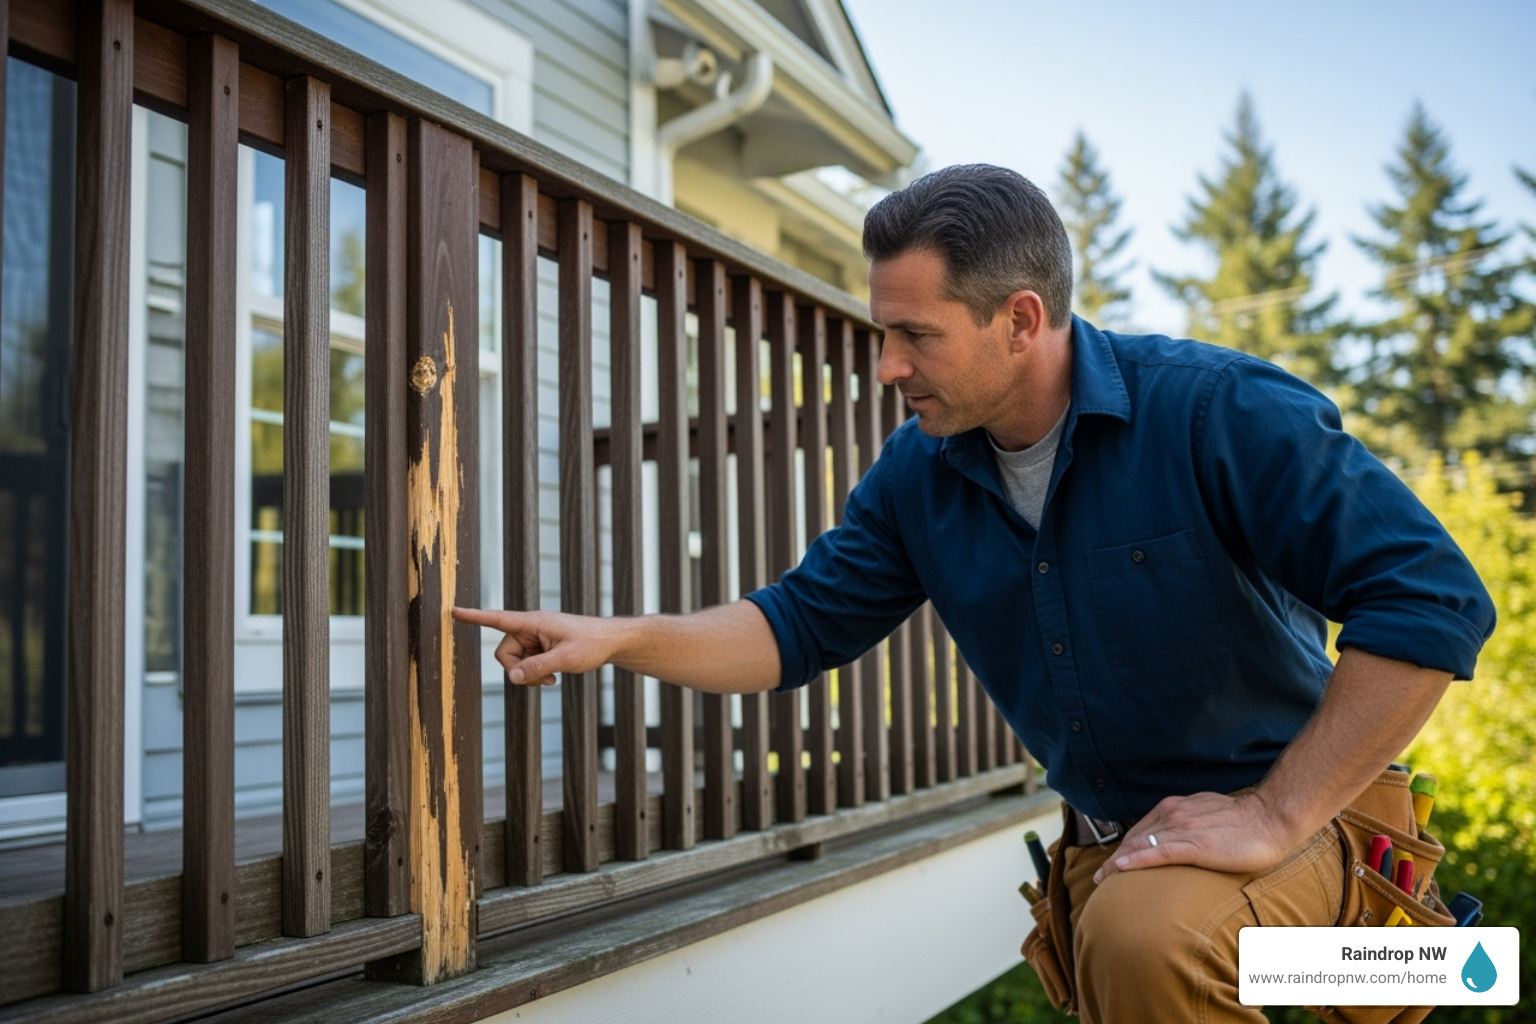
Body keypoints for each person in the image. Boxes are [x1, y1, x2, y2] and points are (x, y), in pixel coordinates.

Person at [454, 164, 1494, 1023]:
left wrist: (1275, 810)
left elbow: (1432, 599)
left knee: (1146, 936)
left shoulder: (1214, 411)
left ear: (1021, 318)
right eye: (882, 330)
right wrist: (623, 635)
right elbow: (796, 625)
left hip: (1313, 833)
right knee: (1135, 931)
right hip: (1129, 852)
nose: (886, 364)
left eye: (916, 334)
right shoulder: (919, 473)